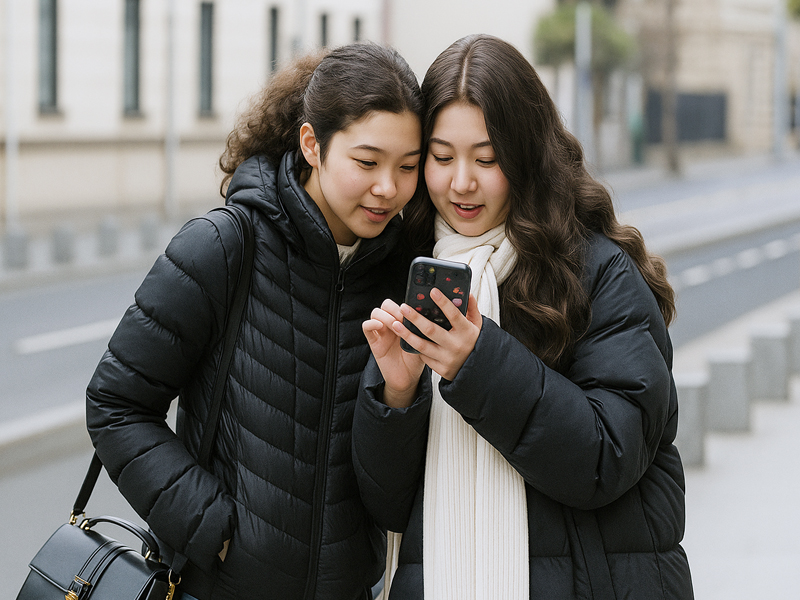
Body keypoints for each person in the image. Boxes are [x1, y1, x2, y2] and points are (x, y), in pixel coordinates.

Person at [353, 34, 694, 600]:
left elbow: (608, 456)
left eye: (487, 159)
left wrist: (478, 362)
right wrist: (396, 396)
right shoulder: (409, 275)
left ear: (527, 154)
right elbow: (386, 507)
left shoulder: (598, 272)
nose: (462, 182)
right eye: (441, 158)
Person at [86, 42, 423, 600]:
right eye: (367, 162)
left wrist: (399, 398)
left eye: (407, 167)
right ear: (312, 144)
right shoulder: (224, 247)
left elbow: (389, 499)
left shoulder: (399, 279)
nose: (388, 188)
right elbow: (115, 403)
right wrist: (213, 530)